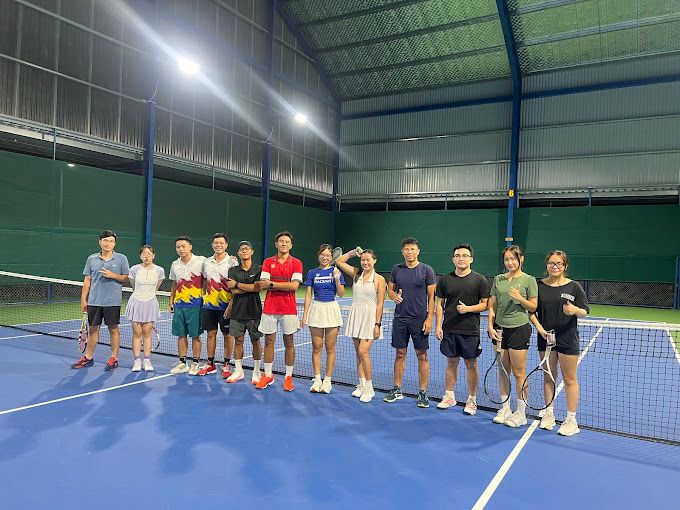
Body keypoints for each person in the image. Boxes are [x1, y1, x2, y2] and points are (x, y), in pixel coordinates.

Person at [529, 250, 589, 436]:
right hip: (545, 338)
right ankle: (549, 414)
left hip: (568, 338)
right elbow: (531, 312)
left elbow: (585, 311)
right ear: (546, 265)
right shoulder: (538, 286)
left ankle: (571, 420)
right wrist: (540, 329)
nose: (554, 266)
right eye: (551, 263)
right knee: (549, 376)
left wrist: (575, 310)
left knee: (570, 379)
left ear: (565, 266)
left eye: (558, 263)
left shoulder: (574, 287)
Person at [435, 244, 490, 415]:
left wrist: (468, 309)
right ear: (453, 259)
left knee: (471, 364)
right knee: (451, 363)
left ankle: (472, 400)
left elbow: (486, 304)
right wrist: (438, 325)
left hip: (470, 330)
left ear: (471, 259)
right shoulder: (444, 280)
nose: (461, 258)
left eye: (465, 255)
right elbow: (439, 304)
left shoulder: (480, 280)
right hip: (449, 329)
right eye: (458, 255)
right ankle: (449, 396)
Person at [487, 245, 538, 428]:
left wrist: (519, 297)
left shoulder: (529, 280)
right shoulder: (498, 279)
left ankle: (521, 413)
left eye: (513, 259)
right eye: (507, 259)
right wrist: (490, 325)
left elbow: (533, 307)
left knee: (519, 373)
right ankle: (505, 408)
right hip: (499, 330)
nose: (510, 262)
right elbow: (492, 305)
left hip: (519, 329)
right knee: (502, 370)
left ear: (521, 259)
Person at [384, 238, 437, 408]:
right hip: (400, 318)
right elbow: (390, 289)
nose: (410, 252)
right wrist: (394, 296)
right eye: (407, 249)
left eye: (413, 249)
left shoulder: (426, 270)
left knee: (422, 355)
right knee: (400, 354)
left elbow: (432, 297)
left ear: (418, 251)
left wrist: (429, 319)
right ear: (403, 252)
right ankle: (397, 389)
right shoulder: (397, 269)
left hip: (419, 319)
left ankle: (423, 392)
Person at [72, 230, 130, 370]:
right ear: (100, 242)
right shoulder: (92, 258)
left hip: (112, 302)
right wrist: (83, 299)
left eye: (111, 241)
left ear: (114, 244)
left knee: (113, 329)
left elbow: (127, 278)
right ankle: (88, 357)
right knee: (93, 330)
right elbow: (87, 280)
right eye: (105, 240)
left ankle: (114, 358)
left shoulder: (121, 258)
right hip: (94, 301)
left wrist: (113, 275)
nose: (108, 243)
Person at [336, 248, 386, 403]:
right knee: (358, 353)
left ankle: (370, 388)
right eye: (363, 260)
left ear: (374, 261)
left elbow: (380, 304)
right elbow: (339, 261)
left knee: (363, 352)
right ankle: (361, 385)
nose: (365, 262)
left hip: (370, 318)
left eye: (368, 260)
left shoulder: (379, 279)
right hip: (356, 315)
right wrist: (352, 253)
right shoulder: (356, 274)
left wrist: (377, 324)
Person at [255, 231, 303, 391]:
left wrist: (272, 284)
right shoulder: (268, 262)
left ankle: (288, 377)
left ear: (291, 245)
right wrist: (279, 285)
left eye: (287, 242)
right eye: (281, 241)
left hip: (289, 309)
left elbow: (294, 286)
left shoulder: (296, 263)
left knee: (289, 342)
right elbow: (263, 284)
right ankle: (268, 375)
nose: (284, 244)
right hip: (270, 307)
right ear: (276, 244)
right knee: (269, 341)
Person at [301, 244, 345, 394]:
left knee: (330, 348)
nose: (325, 257)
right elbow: (308, 295)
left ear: (331, 257)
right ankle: (317, 380)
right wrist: (304, 315)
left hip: (331, 309)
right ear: (318, 256)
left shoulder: (336, 271)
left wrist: (337, 279)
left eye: (328, 255)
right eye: (322, 255)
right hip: (316, 310)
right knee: (316, 347)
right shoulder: (312, 273)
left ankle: (327, 381)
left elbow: (341, 294)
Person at [197, 233, 238, 378]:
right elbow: (204, 280)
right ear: (212, 245)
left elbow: (235, 285)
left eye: (221, 243)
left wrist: (231, 305)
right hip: (209, 305)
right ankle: (210, 363)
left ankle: (226, 364)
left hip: (226, 305)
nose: (218, 245)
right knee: (211, 334)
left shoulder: (232, 262)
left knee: (228, 335)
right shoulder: (207, 262)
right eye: (216, 243)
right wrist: (204, 296)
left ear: (226, 245)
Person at [224, 241, 264, 384]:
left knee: (256, 341)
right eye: (242, 249)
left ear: (252, 252)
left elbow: (258, 288)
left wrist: (237, 284)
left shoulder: (259, 269)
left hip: (254, 311)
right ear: (238, 253)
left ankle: (257, 371)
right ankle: (238, 371)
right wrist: (250, 287)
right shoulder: (232, 270)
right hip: (237, 311)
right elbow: (233, 291)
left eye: (247, 248)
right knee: (238, 341)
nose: (244, 251)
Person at [169, 236, 205, 376]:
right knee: (181, 334)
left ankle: (195, 363)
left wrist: (230, 259)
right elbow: (174, 283)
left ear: (190, 247)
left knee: (195, 335)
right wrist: (171, 300)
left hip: (195, 305)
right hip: (179, 305)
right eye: (178, 246)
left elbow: (213, 269)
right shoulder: (175, 264)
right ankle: (183, 363)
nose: (181, 249)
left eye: (183, 246)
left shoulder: (201, 261)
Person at [125, 245, 165, 372]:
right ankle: (137, 361)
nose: (146, 256)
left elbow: (156, 287)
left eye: (149, 254)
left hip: (150, 303)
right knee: (137, 333)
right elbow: (133, 286)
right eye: (144, 254)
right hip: (136, 303)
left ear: (153, 255)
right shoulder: (134, 269)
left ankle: (147, 360)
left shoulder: (159, 270)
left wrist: (148, 296)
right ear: (140, 256)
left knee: (147, 333)